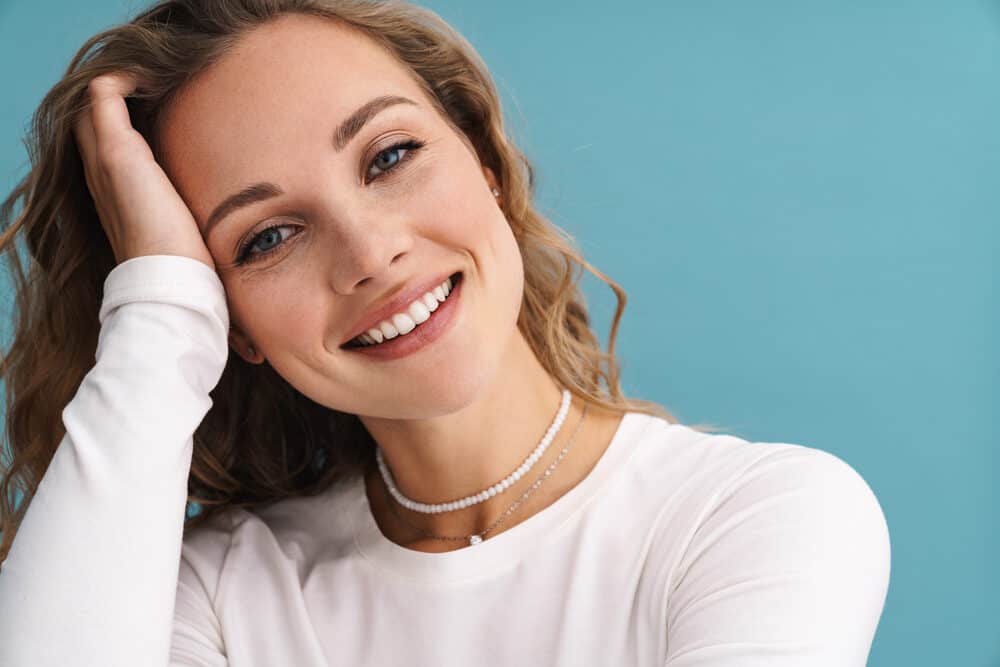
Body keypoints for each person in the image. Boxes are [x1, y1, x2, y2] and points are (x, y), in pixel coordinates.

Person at [0, 1, 891, 664]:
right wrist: (159, 311)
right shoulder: (218, 595)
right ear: (232, 325)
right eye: (266, 236)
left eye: (390, 157)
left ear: (488, 161)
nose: (371, 252)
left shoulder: (754, 518)